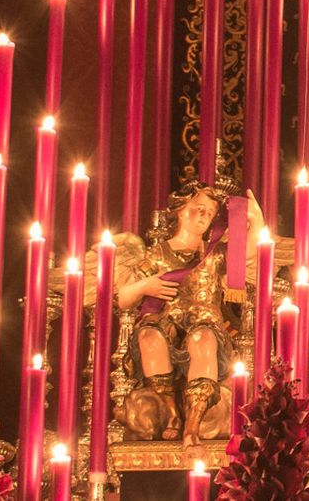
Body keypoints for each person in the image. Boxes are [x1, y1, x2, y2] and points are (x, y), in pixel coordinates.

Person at [106, 183, 236, 453]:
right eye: (198, 208)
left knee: (203, 340)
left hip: (204, 323)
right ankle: (172, 413)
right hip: (166, 324)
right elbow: (123, 298)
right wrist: (146, 286)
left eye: (210, 212)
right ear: (180, 211)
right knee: (148, 337)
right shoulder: (157, 254)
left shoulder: (214, 255)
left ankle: (192, 426)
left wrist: (252, 216)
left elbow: (252, 255)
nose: (204, 216)